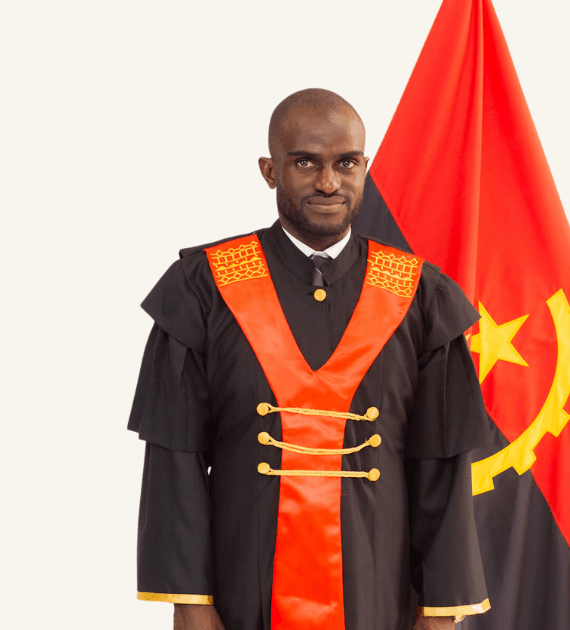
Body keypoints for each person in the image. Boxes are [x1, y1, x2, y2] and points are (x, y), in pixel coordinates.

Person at [128, 89, 492, 630]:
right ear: (269, 170)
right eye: (305, 163)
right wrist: (191, 603)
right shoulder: (205, 287)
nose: (328, 183)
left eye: (346, 163)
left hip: (379, 595)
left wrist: (440, 613)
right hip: (240, 594)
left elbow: (440, 470)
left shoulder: (419, 295)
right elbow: (175, 460)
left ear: (364, 168)